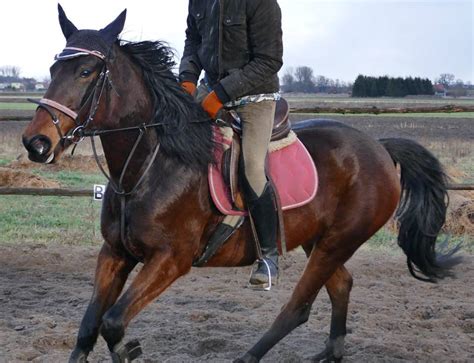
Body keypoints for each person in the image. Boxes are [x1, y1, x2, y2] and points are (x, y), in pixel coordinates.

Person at [179, 0, 283, 289]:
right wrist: (187, 79)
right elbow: (193, 41)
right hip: (210, 91)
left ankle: (268, 257)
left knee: (251, 168)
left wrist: (220, 94)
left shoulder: (262, 3)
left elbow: (269, 61)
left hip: (255, 99)